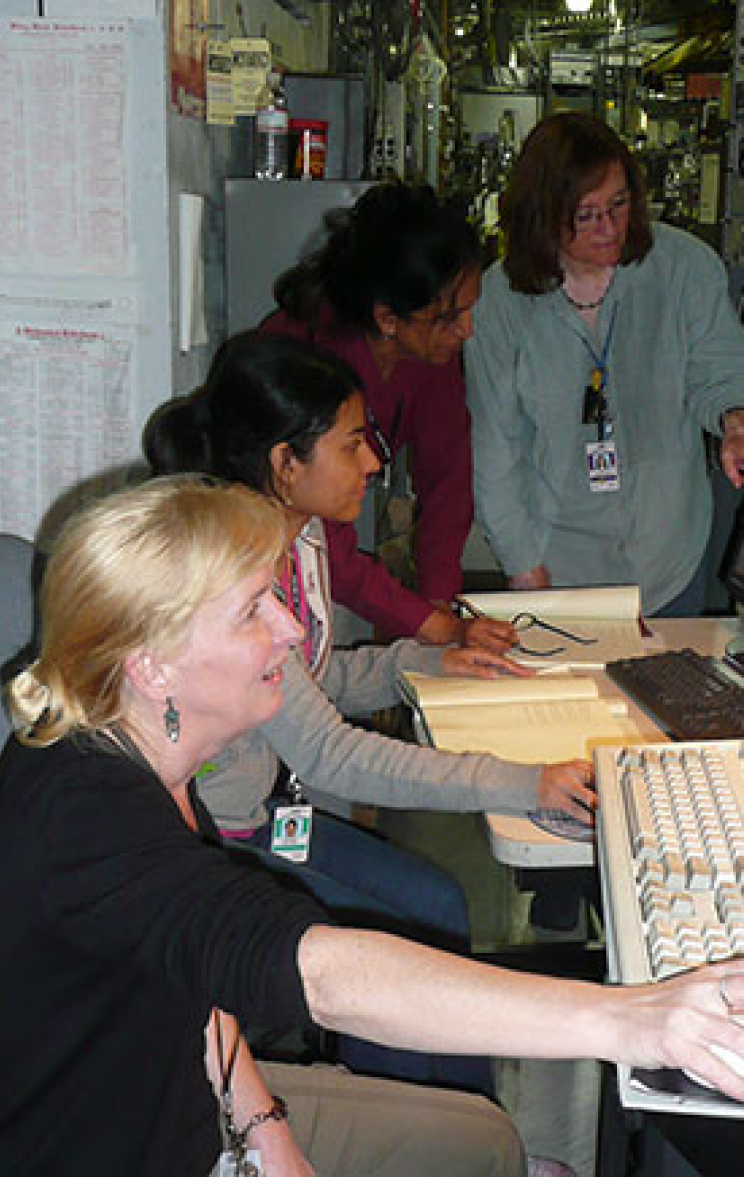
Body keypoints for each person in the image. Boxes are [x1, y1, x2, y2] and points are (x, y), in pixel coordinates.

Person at [0, 476, 744, 1176]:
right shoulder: (80, 817)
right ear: (152, 666)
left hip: (182, 1098)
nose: (288, 628)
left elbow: (194, 979)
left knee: (485, 1142)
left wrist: (265, 1127)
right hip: (102, 1153)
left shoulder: (140, 757)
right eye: (253, 610)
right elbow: (321, 976)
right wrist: (631, 1022)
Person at [144, 332, 594, 1092]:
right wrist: (527, 784)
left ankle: (460, 1129)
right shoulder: (231, 574)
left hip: (263, 814)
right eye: (353, 444)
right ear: (287, 465)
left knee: (437, 903)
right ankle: (425, 1125)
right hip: (216, 841)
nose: (374, 463)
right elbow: (331, 754)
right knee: (400, 936)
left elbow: (310, 684)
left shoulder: (303, 537)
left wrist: (423, 662)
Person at [465, 112, 744, 619]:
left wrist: (737, 423)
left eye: (618, 205)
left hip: (670, 557)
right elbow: (497, 446)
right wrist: (521, 561)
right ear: (543, 215)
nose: (610, 228)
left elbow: (718, 370)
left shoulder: (685, 268)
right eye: (586, 215)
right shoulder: (499, 300)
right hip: (560, 564)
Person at [264, 182, 515, 653]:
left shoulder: (427, 355)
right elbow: (332, 552)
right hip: (270, 562)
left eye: (470, 310)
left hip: (325, 553)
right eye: (450, 317)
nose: (468, 330)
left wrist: (438, 599)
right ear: (388, 318)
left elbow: (448, 480)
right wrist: (435, 627)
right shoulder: (304, 361)